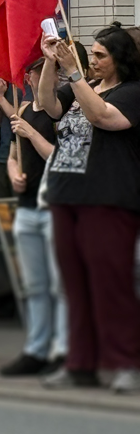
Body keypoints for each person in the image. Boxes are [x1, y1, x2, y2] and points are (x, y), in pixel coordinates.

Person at [35, 25, 140, 394]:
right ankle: (81, 364)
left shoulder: (132, 92)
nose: (92, 61)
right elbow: (47, 105)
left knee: (110, 284)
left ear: (120, 60)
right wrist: (51, 64)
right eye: (91, 54)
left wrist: (74, 72)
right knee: (74, 286)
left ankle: (126, 362)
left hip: (107, 198)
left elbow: (103, 117)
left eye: (100, 56)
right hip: (67, 194)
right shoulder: (85, 85)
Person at [0, 64, 65, 377]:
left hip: (54, 205)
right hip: (28, 205)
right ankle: (36, 348)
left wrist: (31, 133)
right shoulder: (22, 109)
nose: (35, 77)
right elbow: (12, 156)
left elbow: (58, 157)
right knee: (34, 285)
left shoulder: (61, 111)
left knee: (60, 285)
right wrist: (13, 174)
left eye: (44, 70)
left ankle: (63, 350)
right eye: (34, 71)